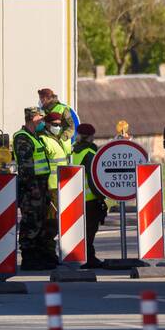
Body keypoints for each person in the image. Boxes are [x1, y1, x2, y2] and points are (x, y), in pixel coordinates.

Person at [12, 108, 57, 269]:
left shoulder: (35, 136)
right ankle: (29, 259)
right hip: (32, 187)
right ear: (32, 118)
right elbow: (26, 166)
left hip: (41, 185)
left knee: (41, 222)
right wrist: (33, 187)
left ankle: (40, 256)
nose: (42, 121)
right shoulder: (22, 137)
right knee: (31, 222)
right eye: (40, 118)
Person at [72, 123, 107, 269]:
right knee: (90, 230)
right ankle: (89, 258)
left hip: (73, 197)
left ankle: (78, 256)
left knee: (78, 230)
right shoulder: (90, 154)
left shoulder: (73, 151)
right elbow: (94, 179)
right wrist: (101, 197)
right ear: (92, 136)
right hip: (89, 199)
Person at [40, 111, 72, 261]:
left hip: (64, 186)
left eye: (59, 125)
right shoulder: (43, 140)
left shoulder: (62, 140)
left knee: (61, 222)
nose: (57, 127)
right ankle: (49, 254)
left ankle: (58, 253)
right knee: (51, 223)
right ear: (47, 124)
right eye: (54, 125)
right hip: (51, 187)